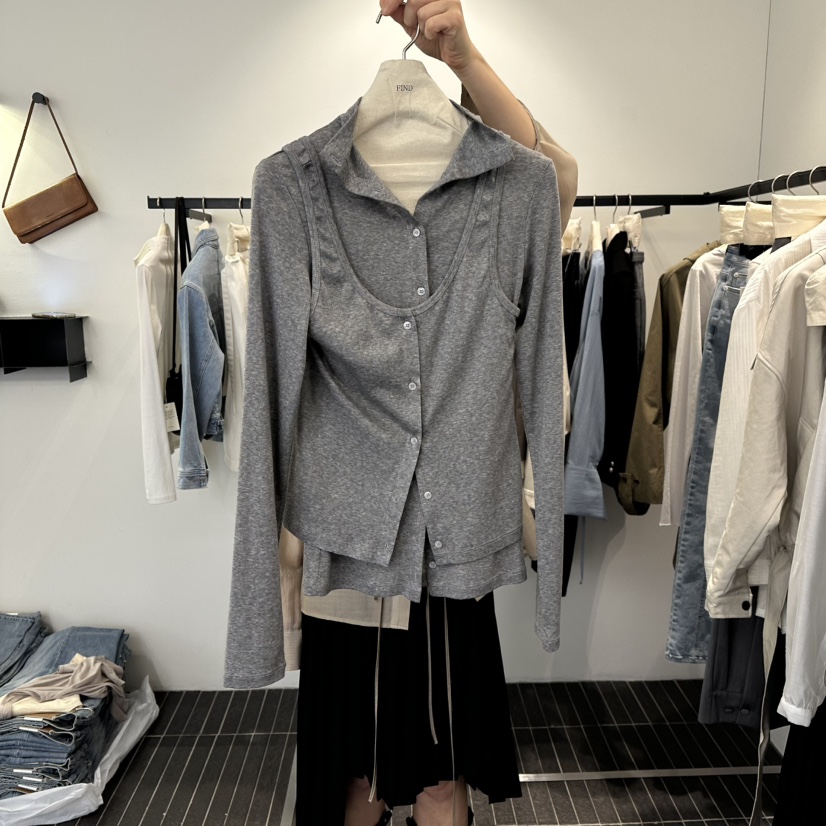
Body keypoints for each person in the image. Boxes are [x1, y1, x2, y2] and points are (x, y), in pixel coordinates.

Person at [300, 2, 578, 825]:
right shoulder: (313, 198)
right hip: (352, 545)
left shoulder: (495, 201)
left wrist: (463, 58)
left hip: (449, 542)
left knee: (442, 773)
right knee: (352, 776)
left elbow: (552, 177)